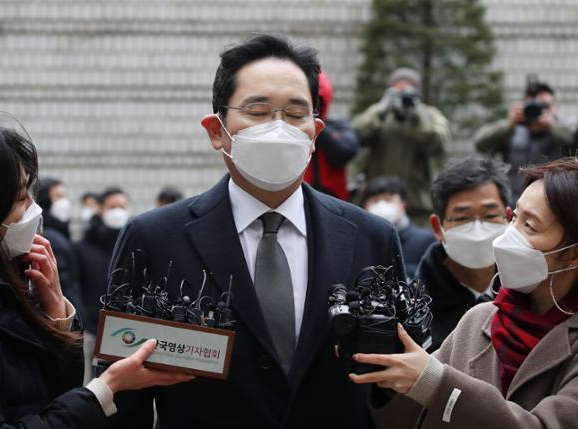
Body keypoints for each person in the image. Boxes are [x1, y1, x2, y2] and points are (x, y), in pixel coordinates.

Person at [106, 33, 405, 428]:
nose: (278, 128)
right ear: (217, 130)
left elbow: (394, 388)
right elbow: (122, 396)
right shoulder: (154, 239)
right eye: (258, 111)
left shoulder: (372, 239)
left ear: (315, 134)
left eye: (296, 114)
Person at [0, 118, 193, 427]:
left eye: (30, 191)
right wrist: (104, 389)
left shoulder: (6, 279)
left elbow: (52, 394)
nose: (32, 207)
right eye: (19, 198)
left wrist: (58, 314)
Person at [351, 156, 578, 428]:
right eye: (515, 217)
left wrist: (436, 384)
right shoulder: (481, 318)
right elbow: (410, 418)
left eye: (529, 226)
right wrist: (385, 372)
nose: (508, 234)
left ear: (576, 254)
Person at [418, 155, 511, 351]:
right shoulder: (417, 307)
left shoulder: (531, 292)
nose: (478, 230)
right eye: (463, 218)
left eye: (490, 215)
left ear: (509, 219)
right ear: (438, 227)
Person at [352, 67, 450, 225]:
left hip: (416, 202)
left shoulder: (429, 115)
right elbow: (355, 135)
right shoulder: (379, 113)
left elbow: (438, 143)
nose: (401, 96)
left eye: (407, 92)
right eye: (396, 92)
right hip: (377, 199)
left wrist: (416, 117)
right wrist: (380, 109)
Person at [475, 79, 574, 203]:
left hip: (551, 200)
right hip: (513, 200)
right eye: (532, 105)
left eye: (544, 106)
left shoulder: (563, 129)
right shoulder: (513, 130)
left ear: (554, 107)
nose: (537, 110)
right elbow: (480, 143)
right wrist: (508, 125)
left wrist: (552, 127)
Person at [75, 187, 130, 382]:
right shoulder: (82, 248)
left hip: (126, 334)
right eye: (113, 206)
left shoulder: (133, 247)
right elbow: (76, 288)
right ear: (101, 210)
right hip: (91, 332)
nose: (118, 211)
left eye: (122, 206)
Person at [362, 176, 434, 278]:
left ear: (403, 205)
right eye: (375, 201)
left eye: (388, 200)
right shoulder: (360, 240)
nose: (381, 206)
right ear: (365, 207)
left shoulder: (426, 239)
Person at [303, 70, 359, 200]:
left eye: (317, 102)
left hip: (334, 198)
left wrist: (316, 123)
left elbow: (345, 151)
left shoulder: (337, 125)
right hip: (302, 194)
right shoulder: (292, 127)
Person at [37, 177, 83, 312]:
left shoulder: (59, 233)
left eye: (64, 196)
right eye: (58, 196)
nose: (64, 202)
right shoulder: (52, 238)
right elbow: (64, 286)